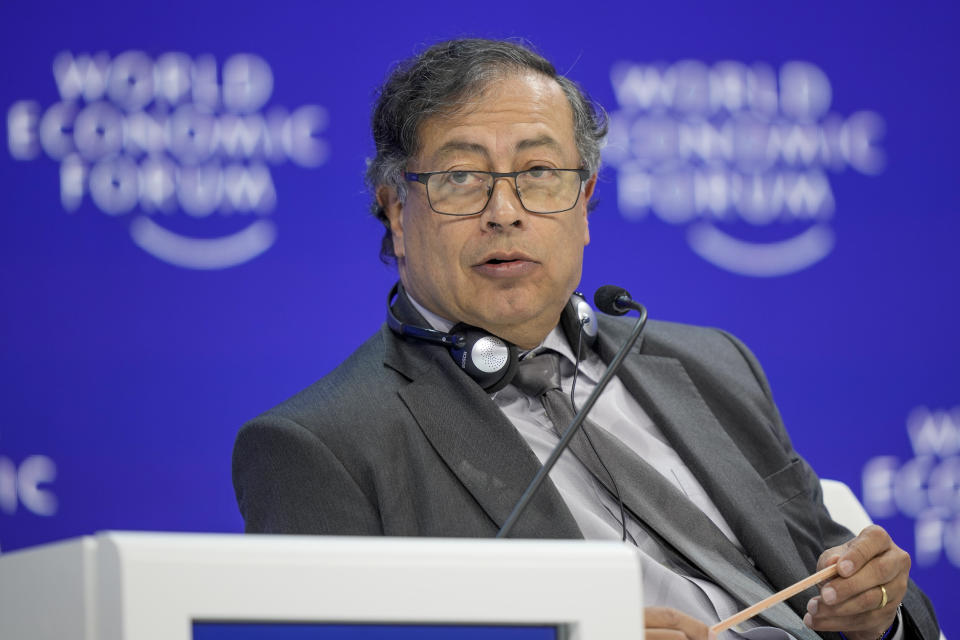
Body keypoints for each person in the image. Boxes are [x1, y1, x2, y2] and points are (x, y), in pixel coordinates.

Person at [232, 39, 938, 640]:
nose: (504, 212)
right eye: (461, 178)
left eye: (539, 173)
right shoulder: (320, 446)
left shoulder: (712, 364)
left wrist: (881, 609)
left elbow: (851, 571)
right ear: (395, 210)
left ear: (586, 199)